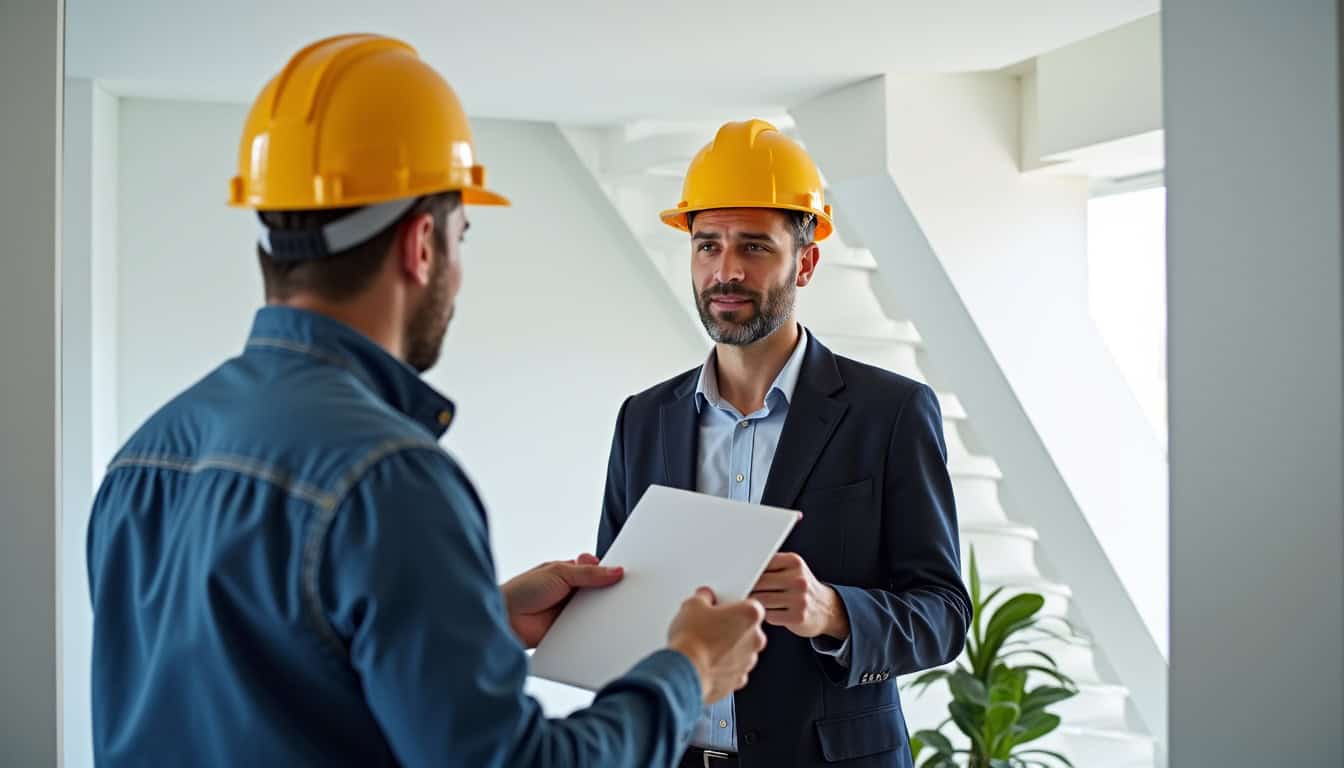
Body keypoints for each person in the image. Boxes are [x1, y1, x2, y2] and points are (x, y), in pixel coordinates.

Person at [86, 34, 765, 767]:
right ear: (420, 244)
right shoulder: (387, 479)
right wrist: (686, 673)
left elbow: (257, 683)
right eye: (460, 234)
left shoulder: (146, 454)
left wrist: (481, 619)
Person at [598, 119, 972, 767]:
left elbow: (943, 615)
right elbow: (620, 602)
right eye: (707, 245)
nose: (727, 271)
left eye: (755, 247)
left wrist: (834, 612)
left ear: (807, 260)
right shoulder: (644, 419)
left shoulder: (891, 412)